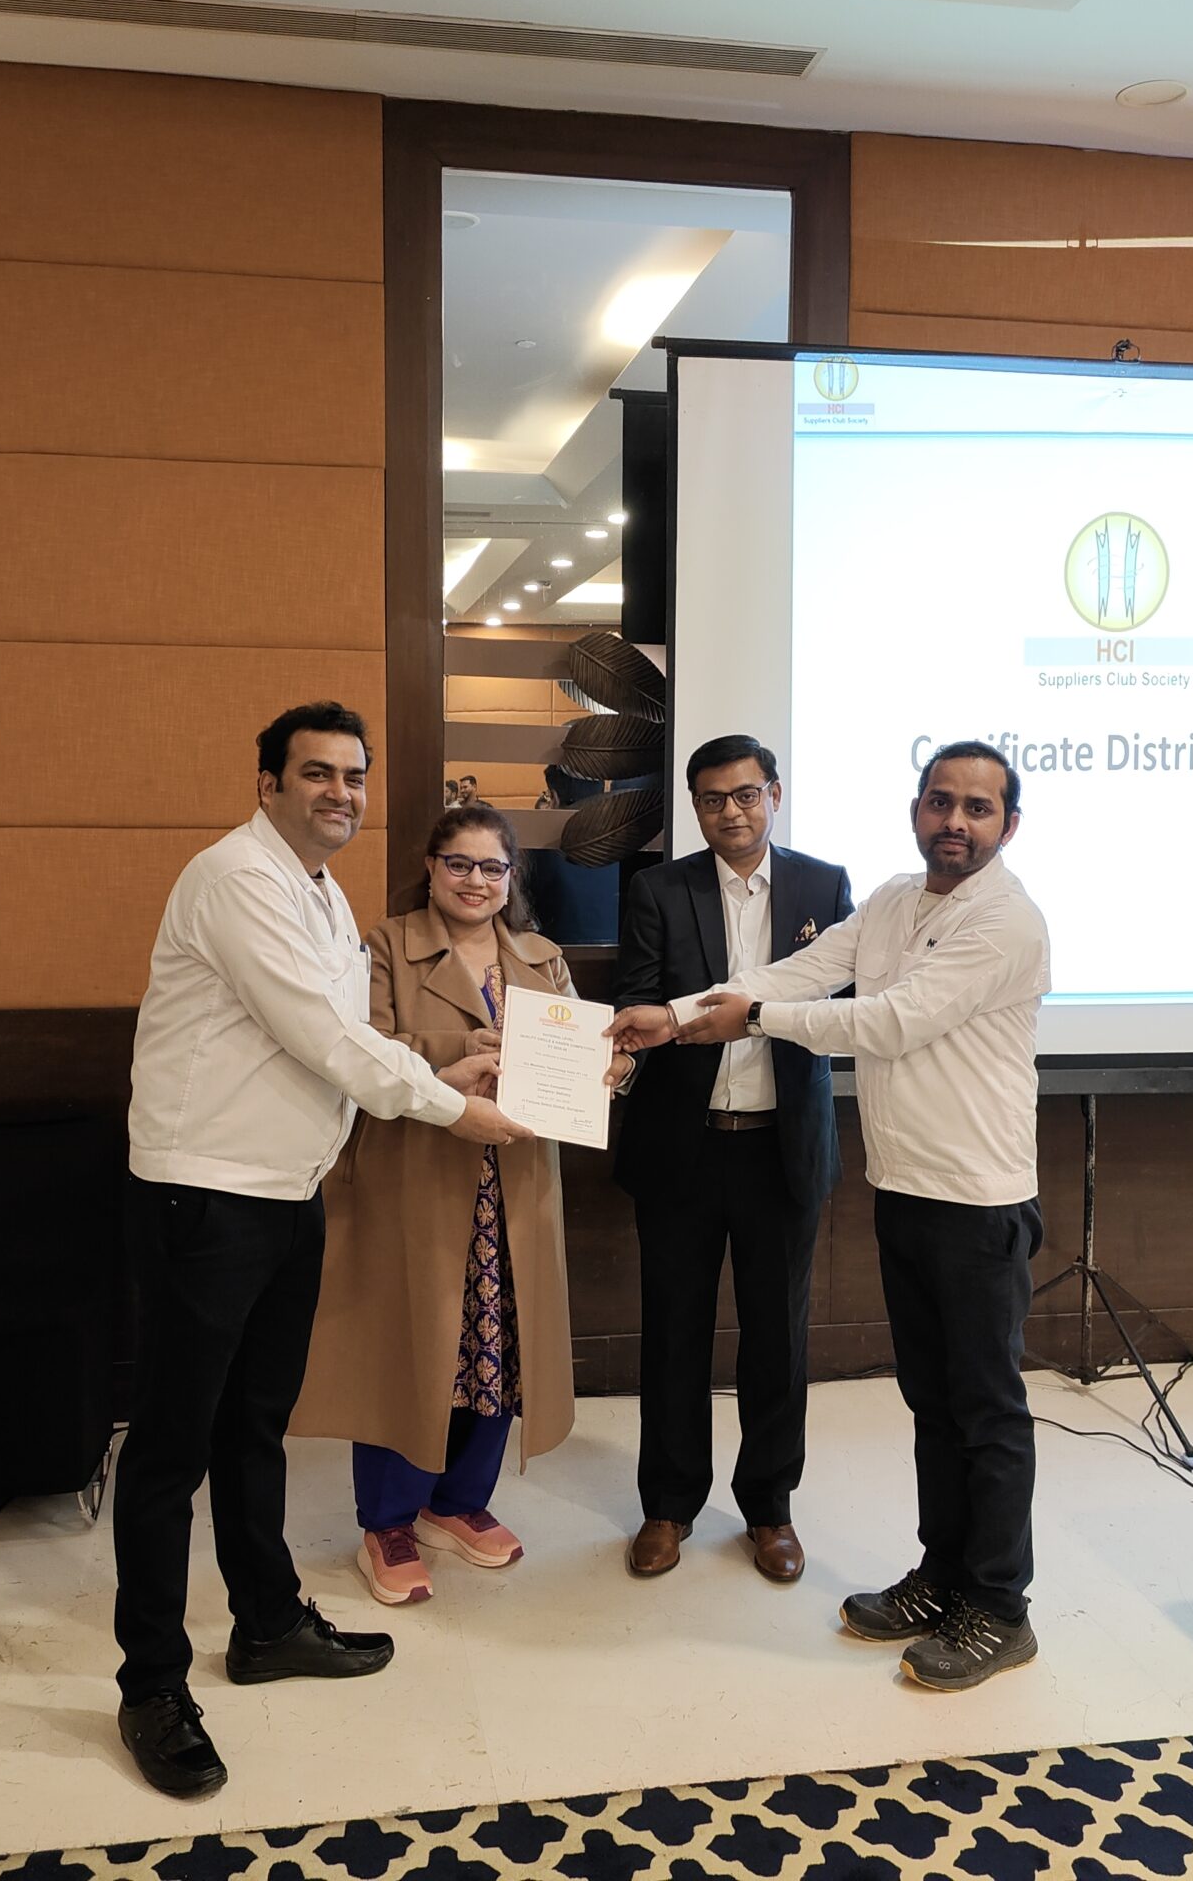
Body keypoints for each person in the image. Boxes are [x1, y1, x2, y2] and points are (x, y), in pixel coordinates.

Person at [115, 702, 529, 1800]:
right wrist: (451, 1106)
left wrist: (452, 1073)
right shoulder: (236, 880)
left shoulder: (322, 892)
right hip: (206, 1194)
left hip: (289, 1191)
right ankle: (151, 1684)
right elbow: (326, 1036)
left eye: (353, 776)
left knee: (256, 1426)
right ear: (268, 784)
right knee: (170, 1451)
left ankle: (266, 1623)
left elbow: (351, 1045)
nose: (340, 793)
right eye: (316, 774)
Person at [610, 740, 1051, 1692]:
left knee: (985, 1409)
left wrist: (747, 1021)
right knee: (933, 1402)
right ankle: (943, 1577)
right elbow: (802, 972)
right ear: (916, 809)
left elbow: (888, 1020)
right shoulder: (892, 900)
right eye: (940, 801)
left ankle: (999, 1606)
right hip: (907, 1186)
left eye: (977, 808)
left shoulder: (1006, 920)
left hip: (979, 1196)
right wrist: (677, 1016)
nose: (955, 821)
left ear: (1008, 826)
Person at [294, 806, 619, 1604]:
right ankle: (388, 1521)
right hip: (418, 1182)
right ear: (431, 868)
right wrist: (453, 1054)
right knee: (407, 1350)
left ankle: (459, 1502)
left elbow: (582, 1056)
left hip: (514, 1187)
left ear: (512, 878)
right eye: (459, 864)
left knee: (500, 1347)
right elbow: (356, 1050)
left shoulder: (542, 958)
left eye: (492, 867)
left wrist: (609, 1071)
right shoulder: (384, 948)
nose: (476, 881)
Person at [612, 735, 853, 1585]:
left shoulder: (824, 887)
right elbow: (638, 1000)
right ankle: (668, 1505)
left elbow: (842, 1002)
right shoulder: (658, 888)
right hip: (682, 1145)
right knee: (673, 1332)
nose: (731, 812)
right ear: (696, 807)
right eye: (713, 799)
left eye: (746, 795)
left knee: (777, 1338)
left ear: (774, 795)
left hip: (781, 1148)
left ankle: (769, 1508)